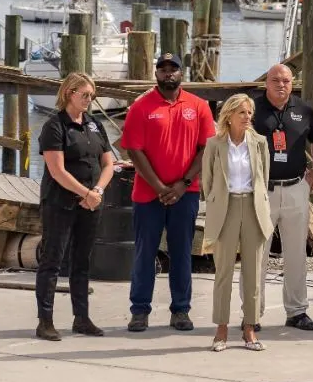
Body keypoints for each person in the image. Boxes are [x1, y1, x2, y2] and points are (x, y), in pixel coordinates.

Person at [121, 52, 215, 332]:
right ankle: (139, 311)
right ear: (156, 74)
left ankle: (181, 310)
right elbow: (134, 150)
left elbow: (206, 148)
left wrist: (183, 183)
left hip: (186, 192)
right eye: (162, 69)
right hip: (148, 194)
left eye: (173, 68)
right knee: (144, 252)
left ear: (182, 73)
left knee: (182, 252)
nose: (168, 73)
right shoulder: (140, 107)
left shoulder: (199, 106)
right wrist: (159, 187)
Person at [244, 63, 313, 332]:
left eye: (286, 81)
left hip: (295, 188)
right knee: (257, 254)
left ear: (293, 83)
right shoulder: (252, 110)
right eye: (276, 80)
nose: (281, 85)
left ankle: (297, 311)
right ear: (266, 83)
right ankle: (252, 313)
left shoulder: (304, 110)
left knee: (296, 254)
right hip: (261, 190)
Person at [34, 73, 115, 341]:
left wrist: (97, 191)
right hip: (60, 203)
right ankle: (45, 321)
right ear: (69, 93)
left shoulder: (94, 124)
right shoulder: (54, 126)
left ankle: (82, 318)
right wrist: (85, 193)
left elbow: (108, 163)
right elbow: (57, 170)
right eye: (85, 95)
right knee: (52, 261)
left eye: (92, 95)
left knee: (82, 261)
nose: (89, 100)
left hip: (90, 204)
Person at [202, 95, 272, 352]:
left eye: (249, 112)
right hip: (226, 208)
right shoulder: (214, 144)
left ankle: (249, 329)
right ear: (229, 116)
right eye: (242, 112)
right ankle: (221, 329)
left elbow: (264, 178)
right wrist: (218, 202)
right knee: (224, 272)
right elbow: (208, 181)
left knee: (253, 273)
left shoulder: (260, 143)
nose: (247, 117)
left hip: (253, 208)